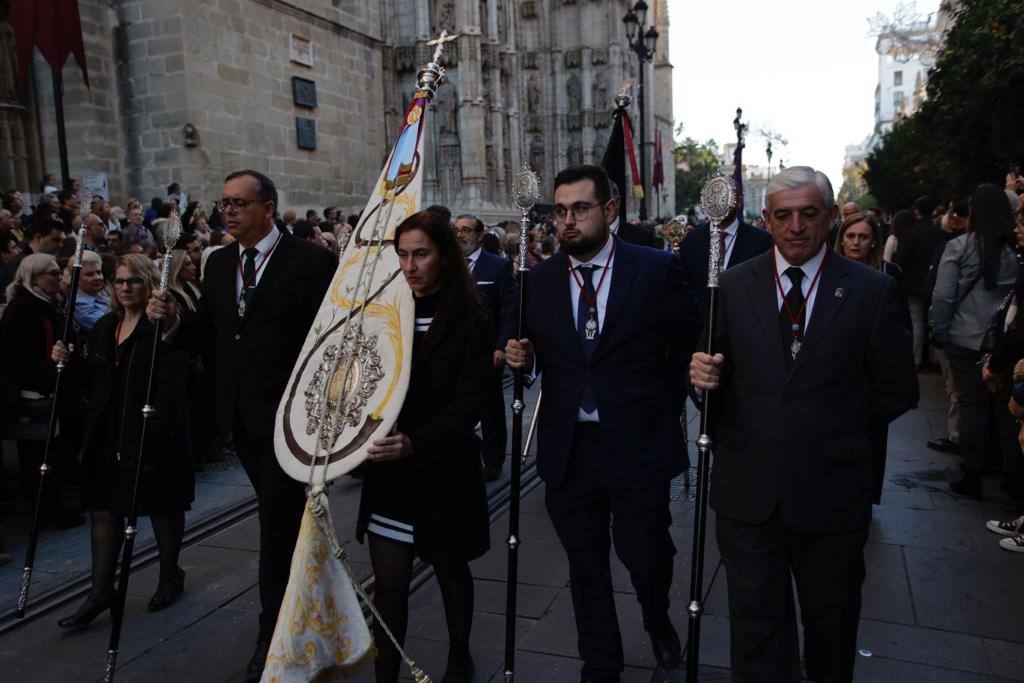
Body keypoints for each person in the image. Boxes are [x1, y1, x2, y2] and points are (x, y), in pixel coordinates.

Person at [689, 166, 918, 682]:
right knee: (756, 630)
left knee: (830, 626)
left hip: (832, 494)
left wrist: (830, 430)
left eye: (808, 214)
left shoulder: (870, 290)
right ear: (766, 220)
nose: (796, 227)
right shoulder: (730, 284)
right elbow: (713, 375)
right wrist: (699, 377)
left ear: (831, 218)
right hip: (749, 494)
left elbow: (897, 390)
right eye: (784, 215)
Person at [505, 164, 702, 682]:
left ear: (609, 211)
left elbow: (689, 342)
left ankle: (657, 615)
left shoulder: (655, 269)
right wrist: (515, 356)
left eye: (580, 209)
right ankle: (601, 663)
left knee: (646, 553)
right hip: (570, 448)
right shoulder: (538, 279)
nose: (567, 221)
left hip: (638, 444)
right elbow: (515, 343)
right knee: (584, 565)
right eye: (560, 211)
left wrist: (674, 390)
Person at [146, 170, 336, 682]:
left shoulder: (313, 261)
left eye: (238, 203)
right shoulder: (219, 262)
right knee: (290, 522)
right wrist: (172, 324)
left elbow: (331, 340)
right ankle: (315, 611)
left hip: (295, 419)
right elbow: (211, 329)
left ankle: (273, 634)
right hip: (242, 419)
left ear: (268, 207)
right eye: (223, 203)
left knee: (277, 524)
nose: (227, 211)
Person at [355, 210, 491, 683]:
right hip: (389, 473)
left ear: (444, 256)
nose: (410, 265)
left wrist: (416, 442)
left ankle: (459, 655)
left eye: (421, 254)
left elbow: (468, 403)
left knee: (450, 570)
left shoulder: (470, 319)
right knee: (389, 587)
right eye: (403, 254)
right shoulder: (383, 313)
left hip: (442, 465)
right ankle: (386, 673)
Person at [53, 254, 194, 628]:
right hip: (107, 430)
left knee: (161, 505)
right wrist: (68, 362)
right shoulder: (104, 326)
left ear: (148, 283)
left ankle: (169, 574)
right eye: (119, 281)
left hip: (151, 429)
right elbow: (97, 379)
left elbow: (175, 382)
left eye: (133, 281)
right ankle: (101, 590)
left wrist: (157, 434)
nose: (126, 287)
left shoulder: (162, 325)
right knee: (103, 508)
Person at [931, 183, 1018, 499]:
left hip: (966, 337)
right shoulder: (1013, 251)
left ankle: (973, 471)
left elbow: (943, 296)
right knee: (1005, 410)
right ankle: (1009, 473)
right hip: (1004, 340)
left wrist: (938, 331)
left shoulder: (960, 246)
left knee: (972, 406)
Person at [0, 254, 85, 528]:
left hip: (54, 389)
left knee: (52, 454)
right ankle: (45, 511)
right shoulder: (24, 309)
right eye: (52, 273)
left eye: (59, 272)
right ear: (33, 278)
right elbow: (19, 355)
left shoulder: (49, 304)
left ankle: (53, 506)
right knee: (38, 458)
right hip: (35, 393)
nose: (59, 277)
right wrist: (50, 374)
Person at [453, 213, 516, 481]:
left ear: (480, 235)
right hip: (454, 350)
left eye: (466, 230)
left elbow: (510, 308)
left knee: (490, 407)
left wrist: (502, 346)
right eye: (457, 230)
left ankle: (493, 459)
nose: (460, 235)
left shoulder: (496, 266)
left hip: (487, 350)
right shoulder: (447, 265)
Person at [677, 199, 773, 324]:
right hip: (700, 329)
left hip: (746, 326)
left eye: (726, 196)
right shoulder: (690, 240)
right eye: (715, 195)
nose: (720, 201)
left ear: (738, 201)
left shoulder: (761, 240)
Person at [893, 195, 946, 370]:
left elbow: (901, 260)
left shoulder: (911, 234)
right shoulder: (941, 235)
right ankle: (934, 359)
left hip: (913, 285)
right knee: (933, 322)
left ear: (916, 211)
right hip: (936, 283)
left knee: (917, 323)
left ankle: (916, 359)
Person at [72, 250, 111, 335]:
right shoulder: (78, 304)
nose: (97, 277)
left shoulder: (99, 296)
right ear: (75, 278)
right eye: (89, 274)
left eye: (99, 272)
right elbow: (111, 326)